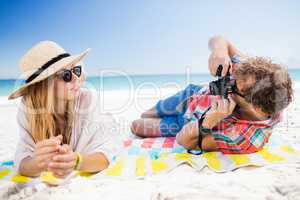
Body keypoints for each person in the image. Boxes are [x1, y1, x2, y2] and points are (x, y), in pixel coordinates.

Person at [131, 35, 293, 154]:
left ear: (255, 107)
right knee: (146, 114)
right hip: (192, 94)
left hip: (187, 124)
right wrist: (219, 51)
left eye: (233, 87)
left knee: (137, 126)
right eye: (231, 77)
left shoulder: (246, 139)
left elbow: (184, 140)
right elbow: (220, 39)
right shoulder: (253, 73)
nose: (226, 83)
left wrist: (209, 120)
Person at [9, 41, 120, 178]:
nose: (75, 78)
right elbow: (22, 158)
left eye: (76, 71)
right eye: (66, 75)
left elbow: (106, 153)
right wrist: (36, 163)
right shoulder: (29, 109)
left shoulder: (87, 101)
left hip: (107, 124)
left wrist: (77, 161)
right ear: (44, 85)